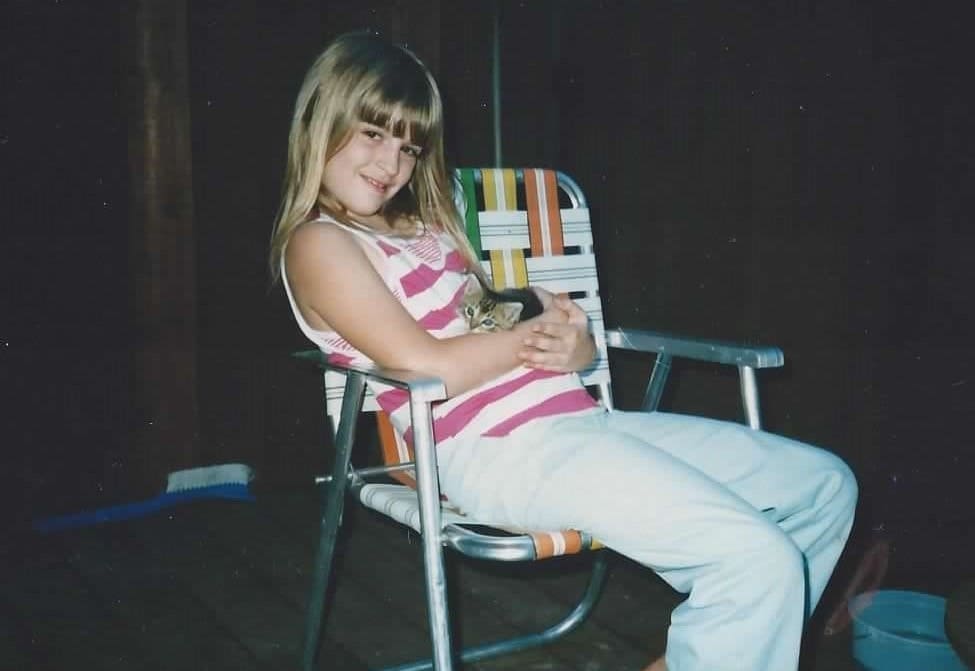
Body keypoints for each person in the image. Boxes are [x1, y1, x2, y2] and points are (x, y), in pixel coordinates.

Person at [270, 31, 858, 671]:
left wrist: (570, 347)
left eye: (409, 146)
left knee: (826, 486)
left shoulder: (427, 230)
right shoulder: (320, 244)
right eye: (373, 134)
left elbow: (486, 326)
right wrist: (525, 339)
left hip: (580, 426)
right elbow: (429, 366)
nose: (393, 163)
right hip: (503, 453)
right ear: (320, 121)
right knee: (756, 554)